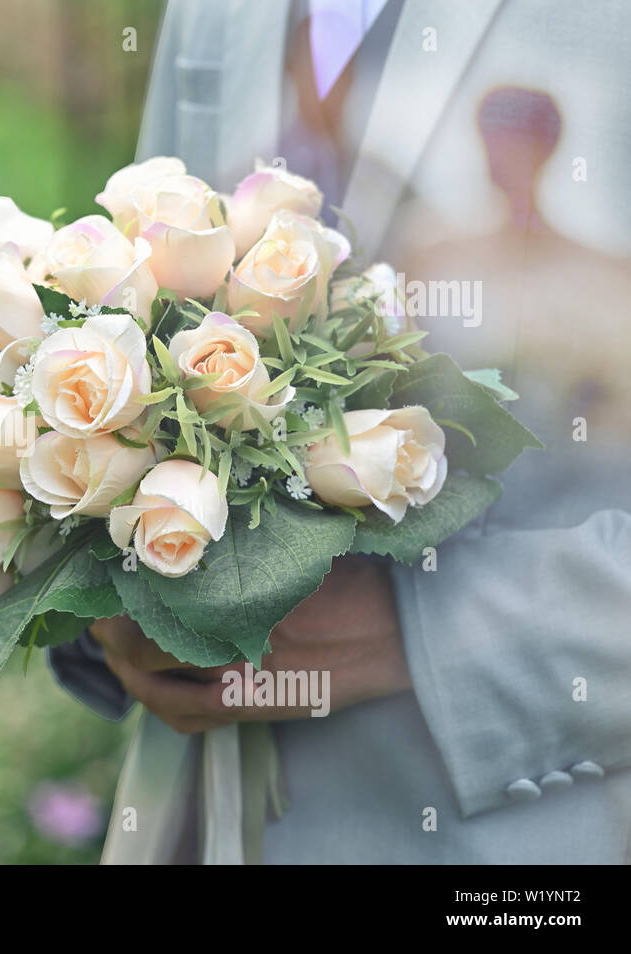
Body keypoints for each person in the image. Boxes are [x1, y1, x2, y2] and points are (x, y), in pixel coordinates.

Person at [49, 0, 631, 864]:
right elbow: (145, 324)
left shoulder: (569, 272)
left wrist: (423, 635)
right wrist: (100, 579)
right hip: (212, 816)